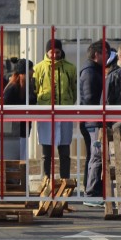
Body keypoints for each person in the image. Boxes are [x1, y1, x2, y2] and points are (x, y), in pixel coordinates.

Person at [33, 39, 77, 180]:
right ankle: (46, 180)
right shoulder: (38, 68)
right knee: (46, 152)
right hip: (45, 115)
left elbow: (74, 90)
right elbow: (35, 90)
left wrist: (68, 102)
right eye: (52, 52)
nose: (54, 55)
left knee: (64, 151)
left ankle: (65, 181)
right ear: (47, 52)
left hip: (64, 114)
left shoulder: (70, 68)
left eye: (57, 52)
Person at [78, 40, 110, 202]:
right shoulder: (90, 72)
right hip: (93, 121)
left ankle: (90, 188)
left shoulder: (94, 70)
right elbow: (90, 98)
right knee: (96, 156)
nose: (108, 56)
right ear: (97, 54)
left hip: (92, 120)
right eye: (106, 53)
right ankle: (92, 192)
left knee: (93, 155)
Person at [1, 58, 36, 160]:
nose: (33, 71)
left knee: (22, 158)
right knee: (15, 159)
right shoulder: (12, 88)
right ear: (23, 72)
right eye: (31, 69)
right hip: (13, 132)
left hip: (23, 129)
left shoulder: (28, 86)